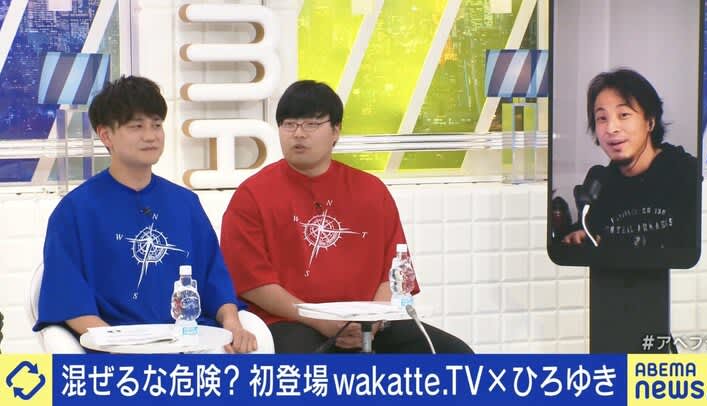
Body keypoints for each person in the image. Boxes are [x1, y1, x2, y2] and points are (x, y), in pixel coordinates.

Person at [220, 80, 473, 353]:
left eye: (311, 124)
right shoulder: (252, 195)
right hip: (292, 321)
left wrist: (372, 321)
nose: (299, 134)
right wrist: (321, 321)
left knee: (454, 355)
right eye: (289, 124)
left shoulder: (371, 190)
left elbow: (396, 272)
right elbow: (252, 283)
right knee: (321, 367)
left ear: (336, 131)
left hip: (371, 322)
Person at [34, 76, 257, 353]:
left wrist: (233, 323)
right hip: (116, 349)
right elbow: (68, 298)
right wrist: (123, 345)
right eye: (136, 126)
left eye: (157, 124)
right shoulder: (75, 210)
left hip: (190, 343)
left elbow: (215, 279)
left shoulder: (185, 203)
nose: (151, 136)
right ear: (106, 135)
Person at [562, 69, 698, 249]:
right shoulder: (599, 186)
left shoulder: (687, 173)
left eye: (624, 115)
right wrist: (580, 236)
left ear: (650, 121)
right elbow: (589, 233)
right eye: (602, 118)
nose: (611, 128)